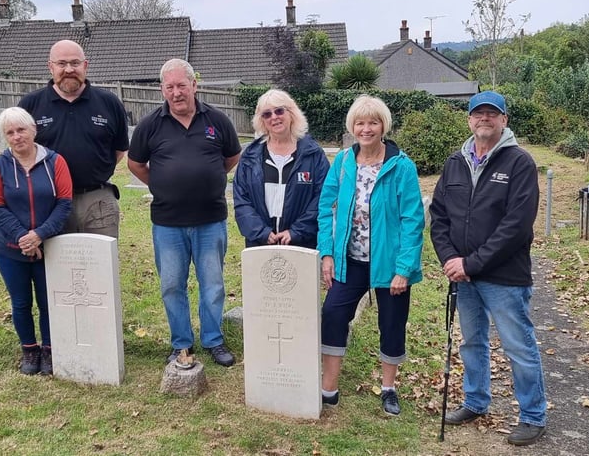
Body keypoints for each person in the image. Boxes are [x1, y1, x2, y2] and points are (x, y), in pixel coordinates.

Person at [429, 91, 547, 446]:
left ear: (504, 120)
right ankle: (475, 401)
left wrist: (471, 263)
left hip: (504, 277)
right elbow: (439, 216)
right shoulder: (455, 162)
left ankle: (533, 416)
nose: (484, 118)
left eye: (492, 114)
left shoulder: (519, 163)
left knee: (518, 346)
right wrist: (451, 260)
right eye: (478, 113)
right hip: (462, 277)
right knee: (472, 343)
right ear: (469, 120)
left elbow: (517, 226)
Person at [128, 59, 242, 367]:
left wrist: (208, 177)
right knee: (171, 285)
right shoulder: (150, 125)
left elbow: (232, 156)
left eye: (182, 85)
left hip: (210, 220)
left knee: (213, 284)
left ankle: (214, 340)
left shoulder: (217, 120)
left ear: (194, 85)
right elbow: (135, 163)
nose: (176, 93)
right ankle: (181, 343)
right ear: (162, 90)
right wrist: (163, 184)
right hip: (168, 223)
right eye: (169, 87)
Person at [317, 95, 424, 415]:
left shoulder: (401, 166)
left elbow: (413, 219)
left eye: (373, 122)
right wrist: (327, 253)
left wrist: (404, 268)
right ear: (352, 126)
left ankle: (389, 388)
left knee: (392, 323)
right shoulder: (343, 162)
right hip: (350, 261)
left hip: (389, 263)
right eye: (360, 123)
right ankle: (329, 387)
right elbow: (326, 209)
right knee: (333, 314)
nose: (366, 129)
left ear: (383, 126)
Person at [0, 107, 73, 375]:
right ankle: (29, 350)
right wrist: (24, 238)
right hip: (11, 249)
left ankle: (48, 350)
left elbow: (64, 203)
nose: (16, 137)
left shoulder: (55, 162)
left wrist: (40, 235)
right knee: (21, 302)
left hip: (49, 246)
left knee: (48, 301)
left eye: (21, 130)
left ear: (34, 130)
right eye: (9, 132)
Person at [18, 39, 129, 238]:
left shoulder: (109, 103)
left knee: (102, 266)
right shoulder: (30, 104)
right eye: (61, 63)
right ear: (50, 67)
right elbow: (20, 152)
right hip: (49, 201)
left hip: (98, 201)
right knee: (57, 267)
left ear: (85, 65)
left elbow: (119, 150)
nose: (69, 69)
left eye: (75, 63)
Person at [233, 89, 329, 249]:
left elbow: (323, 198)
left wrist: (296, 231)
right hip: (260, 245)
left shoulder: (313, 154)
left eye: (279, 111)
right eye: (267, 114)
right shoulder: (250, 157)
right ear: (261, 120)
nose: (274, 117)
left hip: (302, 245)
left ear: (291, 113)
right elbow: (241, 201)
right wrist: (261, 232)